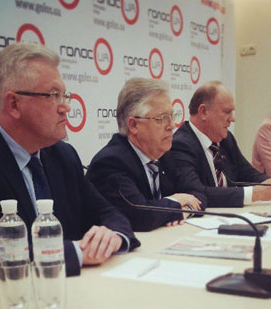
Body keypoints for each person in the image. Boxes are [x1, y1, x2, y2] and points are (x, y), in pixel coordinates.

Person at [0, 43, 140, 293]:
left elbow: (108, 212)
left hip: (63, 293)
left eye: (64, 95)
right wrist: (76, 252)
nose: (65, 107)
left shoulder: (63, 155)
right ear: (14, 104)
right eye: (53, 95)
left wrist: (113, 236)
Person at [86, 78, 206, 231]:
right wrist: (176, 202)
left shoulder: (164, 155)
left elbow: (198, 193)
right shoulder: (111, 163)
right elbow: (140, 215)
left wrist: (185, 210)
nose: (172, 125)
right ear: (133, 125)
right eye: (162, 118)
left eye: (172, 116)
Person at [170, 81, 271, 208]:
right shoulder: (180, 145)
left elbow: (247, 173)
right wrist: (255, 194)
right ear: (203, 112)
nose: (233, 119)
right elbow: (196, 193)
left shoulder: (226, 139)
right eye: (227, 112)